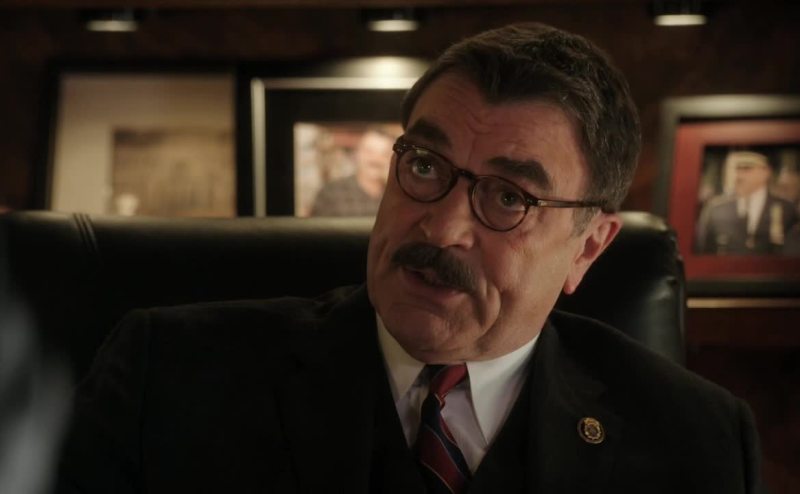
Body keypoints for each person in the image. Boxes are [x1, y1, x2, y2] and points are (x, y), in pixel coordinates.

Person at [55, 23, 764, 493]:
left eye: (508, 198)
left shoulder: (696, 440)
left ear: (587, 247)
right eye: (424, 165)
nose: (443, 226)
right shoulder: (168, 377)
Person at [696, 150, 799, 255]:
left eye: (747, 169)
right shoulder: (718, 211)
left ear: (765, 172)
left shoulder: (786, 209)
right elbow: (705, 252)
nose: (739, 176)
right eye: (737, 169)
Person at [310, 128, 395, 216]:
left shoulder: (398, 195)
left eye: (385, 154)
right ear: (356, 154)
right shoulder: (331, 194)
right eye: (369, 152)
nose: (376, 159)